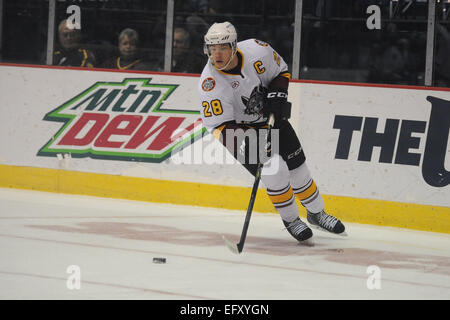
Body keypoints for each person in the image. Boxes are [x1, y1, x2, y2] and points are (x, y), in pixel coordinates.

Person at [198, 22, 345, 243]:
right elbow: (220, 127)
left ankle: (317, 213)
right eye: (212, 48)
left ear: (234, 45)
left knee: (299, 170)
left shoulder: (257, 50)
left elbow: (281, 71)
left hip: (271, 119)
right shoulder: (210, 85)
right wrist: (249, 143)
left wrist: (277, 93)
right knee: (275, 173)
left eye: (222, 48)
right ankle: (292, 220)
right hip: (240, 131)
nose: (216, 54)